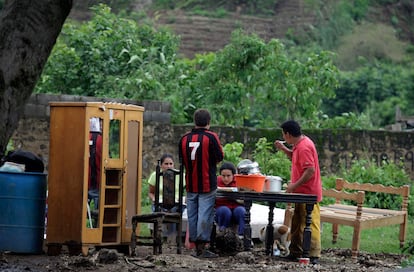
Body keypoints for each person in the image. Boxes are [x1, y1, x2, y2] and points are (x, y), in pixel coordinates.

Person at [274, 120, 322, 265]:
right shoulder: (299, 145)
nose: (283, 136)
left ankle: (313, 254)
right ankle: (295, 251)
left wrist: (294, 185)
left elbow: (310, 170)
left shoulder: (304, 147)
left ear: (287, 134)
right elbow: (295, 158)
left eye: (283, 134)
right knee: (296, 222)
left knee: (310, 223)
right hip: (300, 193)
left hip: (308, 193)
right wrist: (283, 149)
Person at [178, 109, 224, 258]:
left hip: (190, 183)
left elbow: (182, 161)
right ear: (208, 122)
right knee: (205, 213)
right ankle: (202, 247)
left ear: (195, 121)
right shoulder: (211, 137)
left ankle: (195, 245)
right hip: (207, 183)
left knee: (192, 214)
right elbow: (219, 157)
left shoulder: (184, 139)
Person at [147, 153, 183, 240]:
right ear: (161, 165)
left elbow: (185, 192)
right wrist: (154, 198)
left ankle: (172, 237)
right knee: (158, 211)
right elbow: (151, 192)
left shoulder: (180, 175)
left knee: (174, 210)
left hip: (176, 203)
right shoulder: (155, 175)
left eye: (171, 164)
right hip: (159, 203)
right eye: (166, 164)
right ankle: (159, 236)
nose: (169, 166)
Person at [215, 162, 246, 239]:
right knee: (225, 211)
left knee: (242, 211)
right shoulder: (216, 181)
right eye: (223, 176)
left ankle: (242, 236)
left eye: (228, 176)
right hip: (221, 209)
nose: (226, 178)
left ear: (233, 175)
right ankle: (222, 234)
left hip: (236, 207)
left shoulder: (240, 181)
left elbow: (245, 198)